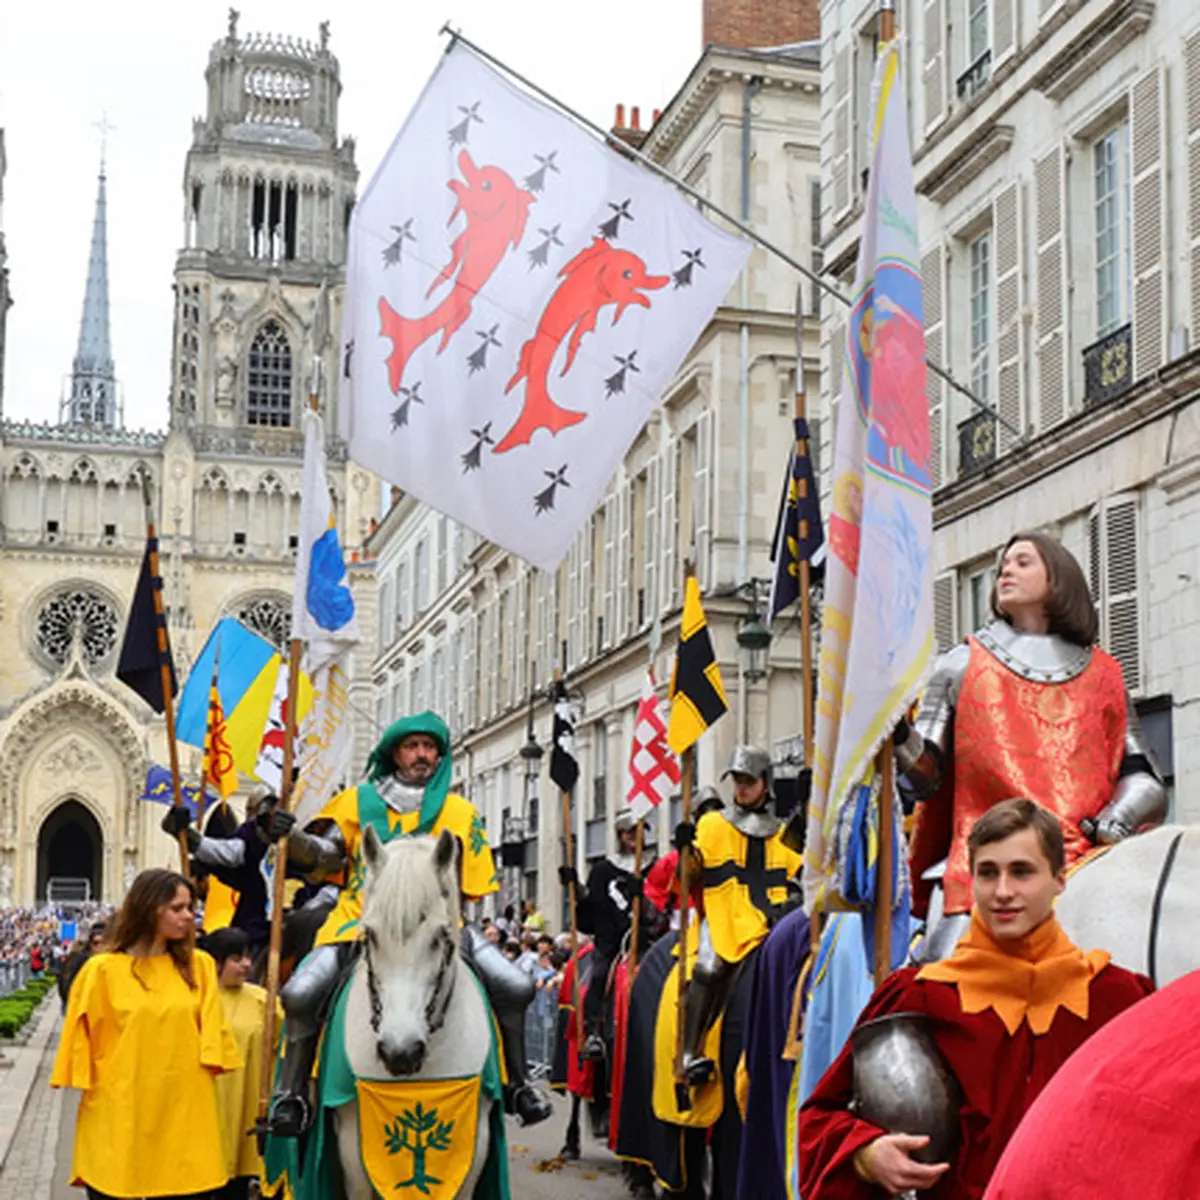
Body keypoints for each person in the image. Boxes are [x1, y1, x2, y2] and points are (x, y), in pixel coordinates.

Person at [797, 799, 1154, 1199]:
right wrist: (867, 1153)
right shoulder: (922, 996)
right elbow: (819, 1120)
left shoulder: (1119, 1001)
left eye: (1022, 872)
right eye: (988, 873)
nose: (1003, 892)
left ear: (1059, 879)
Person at [266, 711, 552, 1135]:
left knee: (515, 985)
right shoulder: (356, 803)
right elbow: (326, 856)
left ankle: (518, 1086)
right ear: (394, 754)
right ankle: (292, 1098)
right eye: (412, 746)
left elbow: (470, 885)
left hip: (439, 924)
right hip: (359, 923)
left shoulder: (460, 811)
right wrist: (290, 835)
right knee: (302, 993)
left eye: (429, 747)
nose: (421, 755)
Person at [897, 532, 1167, 954]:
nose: (1006, 569)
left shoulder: (1105, 674)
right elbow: (924, 780)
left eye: (1023, 562)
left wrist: (1116, 821)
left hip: (1083, 867)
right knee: (934, 989)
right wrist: (898, 737)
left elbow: (1144, 778)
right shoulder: (960, 664)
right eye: (1004, 563)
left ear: (1057, 579)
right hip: (983, 872)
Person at [50, 869, 242, 1199]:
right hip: (121, 1114)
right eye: (177, 908)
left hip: (184, 1118)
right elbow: (80, 1048)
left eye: (189, 907)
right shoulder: (100, 973)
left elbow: (214, 1041)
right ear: (150, 908)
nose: (188, 916)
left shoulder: (200, 968)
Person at [673, 747, 804, 1085]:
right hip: (724, 913)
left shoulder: (781, 831)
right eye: (737, 780)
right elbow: (691, 874)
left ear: (766, 783)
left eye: (749, 781)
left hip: (771, 917)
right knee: (708, 965)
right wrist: (685, 849)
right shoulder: (713, 824)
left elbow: (799, 877)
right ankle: (689, 1054)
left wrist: (790, 902)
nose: (742, 788)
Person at [559, 807, 652, 1061]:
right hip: (612, 943)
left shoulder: (654, 866)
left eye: (639, 831)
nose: (634, 837)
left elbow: (661, 907)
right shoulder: (603, 869)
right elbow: (590, 910)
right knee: (599, 974)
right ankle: (592, 1033)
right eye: (629, 832)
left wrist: (642, 898)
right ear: (620, 835)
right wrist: (575, 888)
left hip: (648, 939)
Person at [161, 788, 294, 958]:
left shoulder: (309, 828)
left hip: (304, 923)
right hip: (257, 929)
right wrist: (184, 832)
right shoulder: (250, 839)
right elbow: (219, 851)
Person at [200, 927, 279, 1200]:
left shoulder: (264, 1002)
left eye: (247, 956)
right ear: (216, 962)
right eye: (236, 958)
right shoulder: (196, 999)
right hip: (208, 1109)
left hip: (248, 1109)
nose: (246, 964)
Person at [643, 786, 724, 925]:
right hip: (684, 925)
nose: (710, 817)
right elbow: (654, 897)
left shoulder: (736, 848)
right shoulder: (671, 861)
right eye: (705, 812)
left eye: (716, 810)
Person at [58, 922, 106, 1011]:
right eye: (96, 943)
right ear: (90, 944)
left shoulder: (114, 962)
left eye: (103, 943)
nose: (100, 947)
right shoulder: (82, 960)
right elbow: (67, 983)